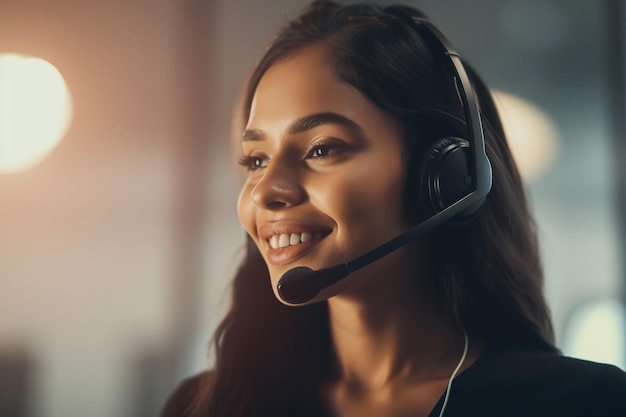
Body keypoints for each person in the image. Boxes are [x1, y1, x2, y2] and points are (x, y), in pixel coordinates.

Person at [161, 1, 626, 416]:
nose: (266, 192)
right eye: (256, 160)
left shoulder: (586, 402)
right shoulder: (202, 405)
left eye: (322, 149)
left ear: (447, 177)